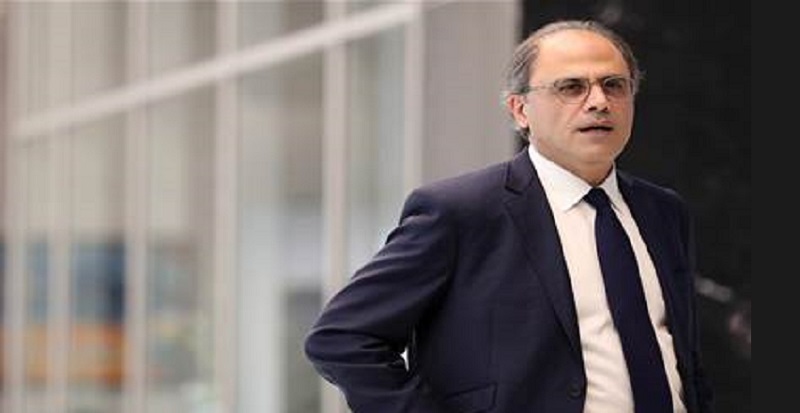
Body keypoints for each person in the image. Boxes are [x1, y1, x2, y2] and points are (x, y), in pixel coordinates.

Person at [304, 19, 714, 413]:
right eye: (571, 87)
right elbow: (343, 338)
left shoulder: (663, 211)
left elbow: (682, 355)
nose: (598, 102)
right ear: (520, 110)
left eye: (614, 85)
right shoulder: (462, 212)